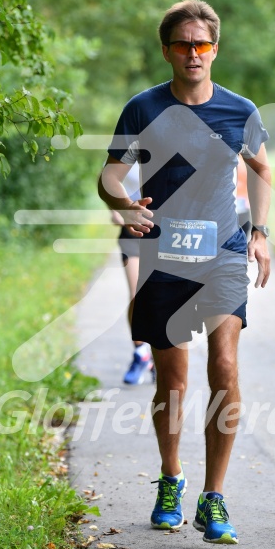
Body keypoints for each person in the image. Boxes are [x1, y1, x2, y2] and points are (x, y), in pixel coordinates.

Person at [98, 0, 271, 545]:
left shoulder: (240, 111)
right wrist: (123, 207)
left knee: (224, 364)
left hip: (222, 253)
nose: (193, 53)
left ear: (215, 50)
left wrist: (261, 233)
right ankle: (171, 478)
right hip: (164, 258)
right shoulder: (143, 108)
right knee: (171, 380)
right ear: (167, 50)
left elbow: (262, 166)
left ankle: (213, 497)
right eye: (183, 44)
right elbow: (109, 174)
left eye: (202, 44)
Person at [110, 162, 155, 385]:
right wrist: (116, 210)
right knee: (138, 294)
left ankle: (159, 354)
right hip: (132, 231)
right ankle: (141, 354)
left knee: (160, 294)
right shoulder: (126, 150)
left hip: (162, 231)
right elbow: (106, 179)